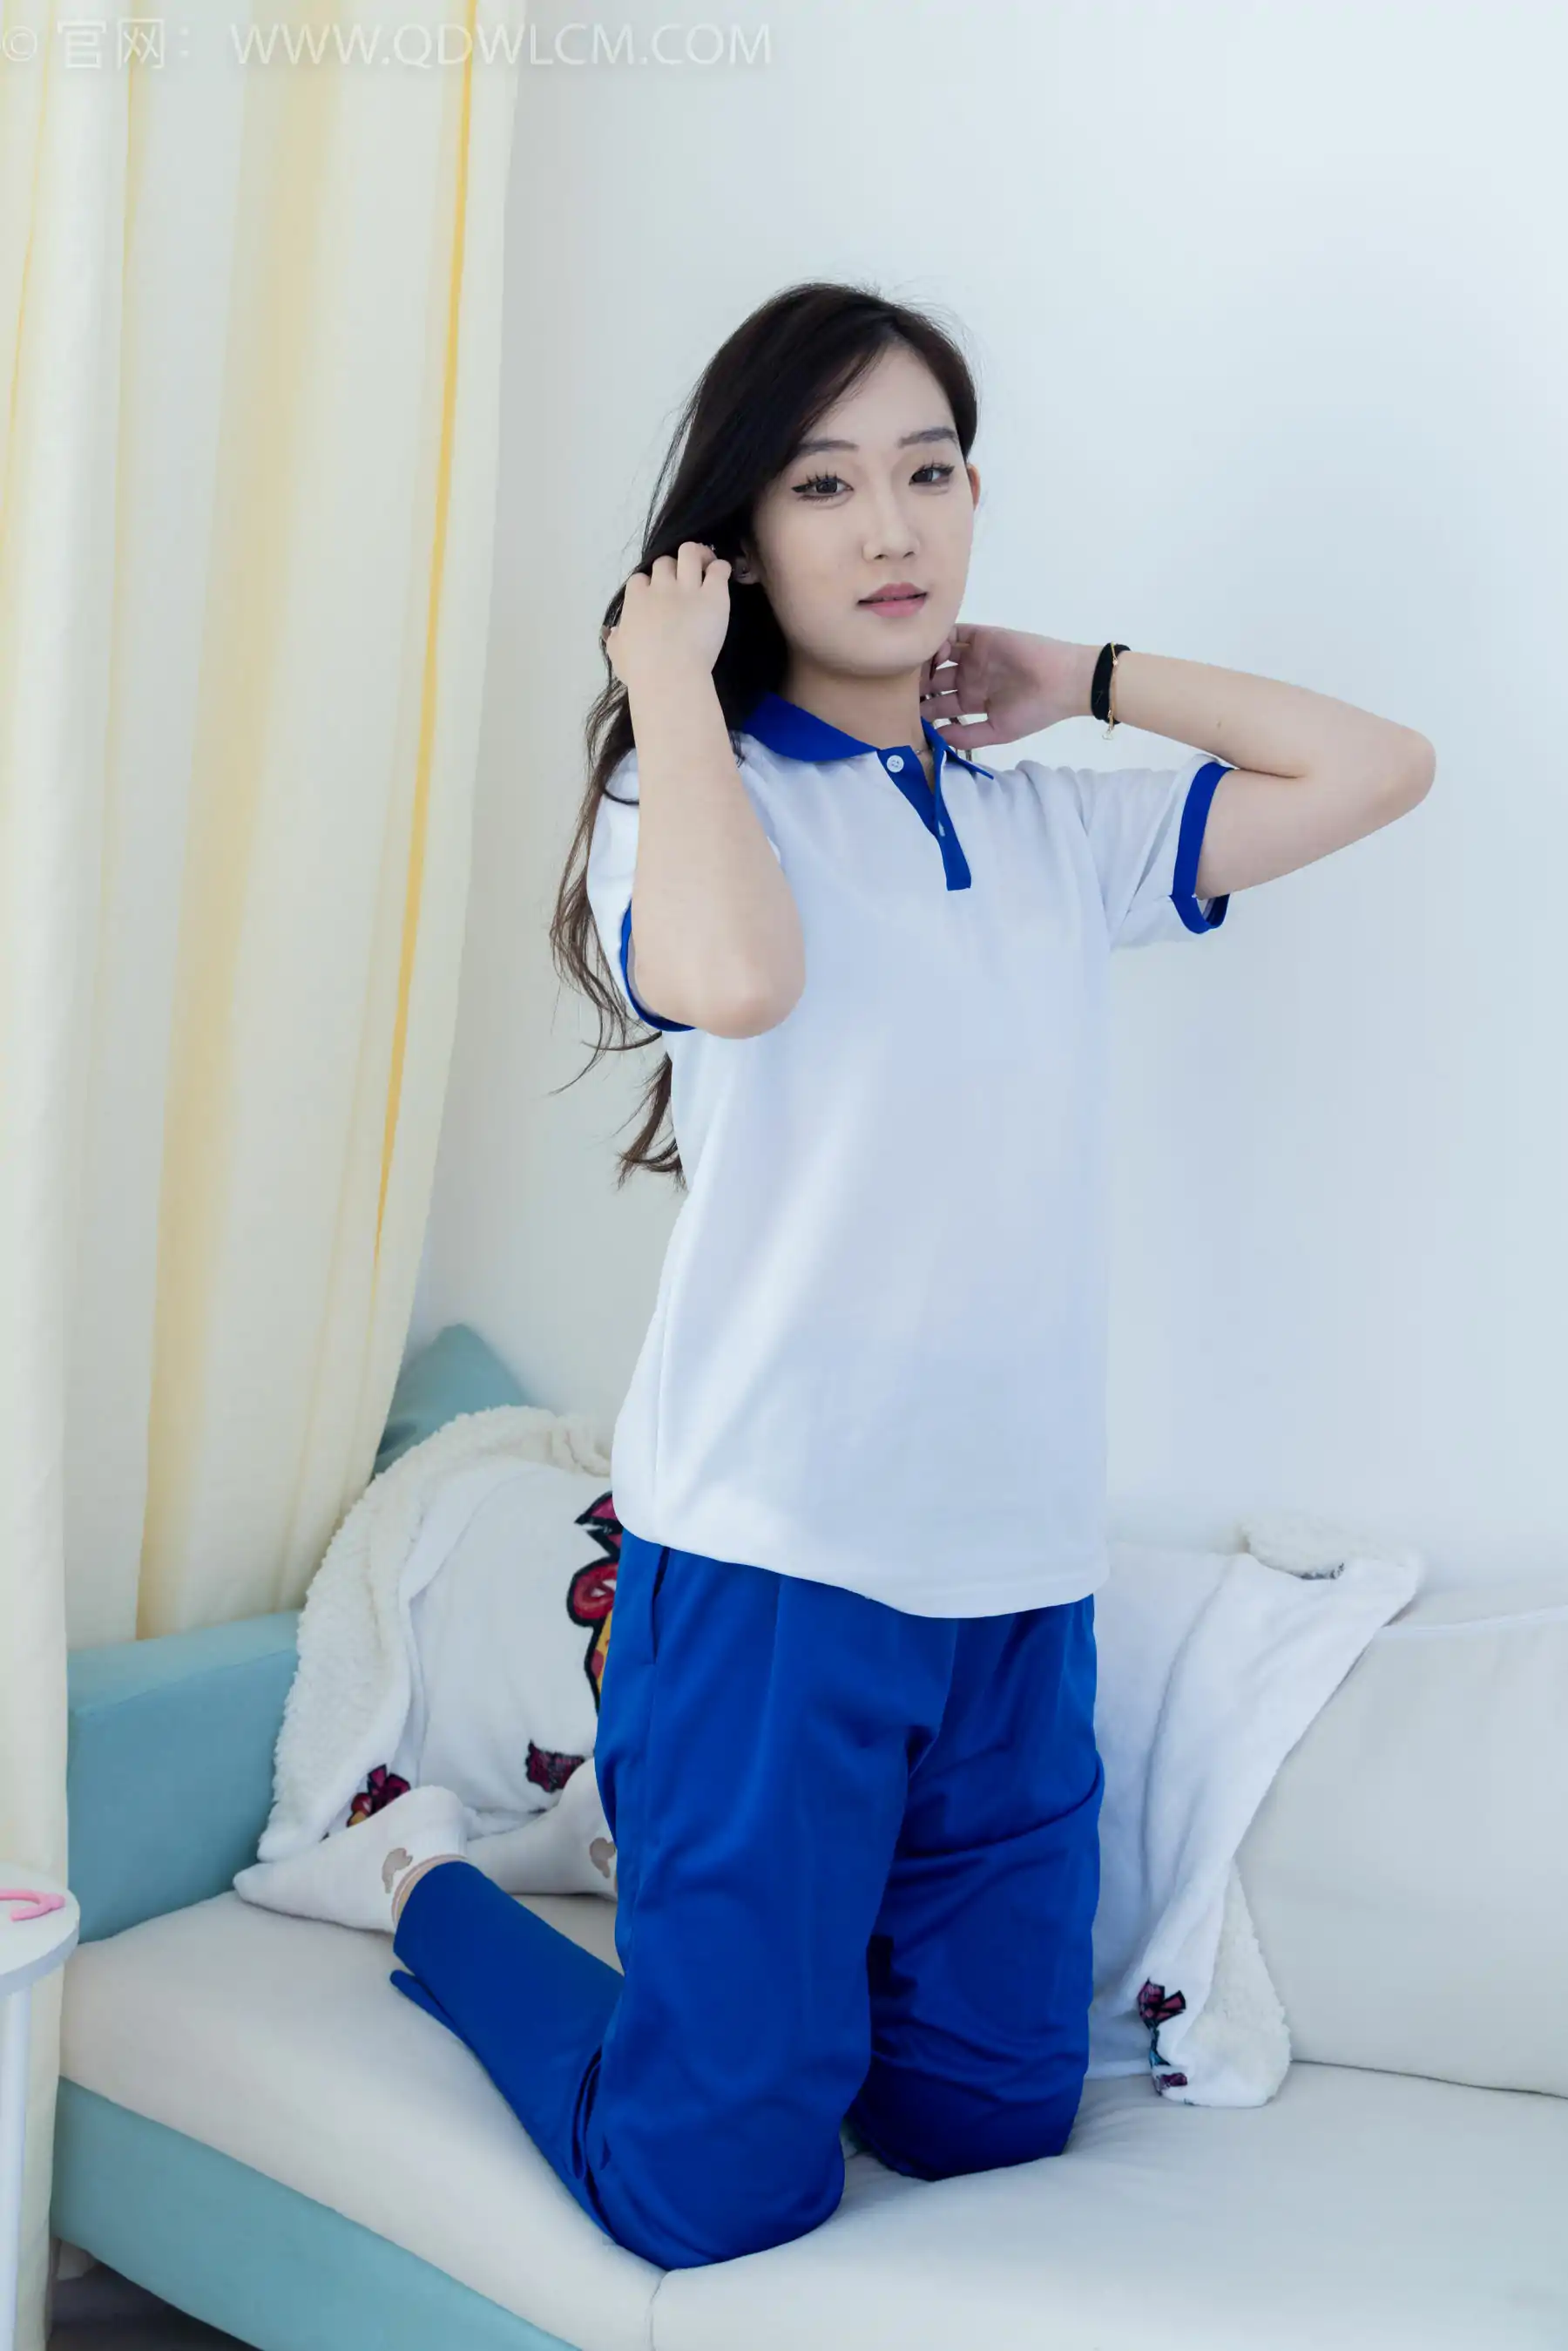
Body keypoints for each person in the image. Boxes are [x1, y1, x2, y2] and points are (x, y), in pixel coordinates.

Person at [327, 281, 1436, 2269]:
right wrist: (666, 680)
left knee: (983, 2123)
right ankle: (430, 1888)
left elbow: (1380, 765)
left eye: (929, 471)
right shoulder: (684, 802)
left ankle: (752, 1992)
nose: (892, 524)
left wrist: (1082, 672)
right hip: (769, 1564)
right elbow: (741, 978)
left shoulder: (1048, 837)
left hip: (1014, 1582)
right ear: (742, 538)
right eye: (826, 483)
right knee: (711, 2193)